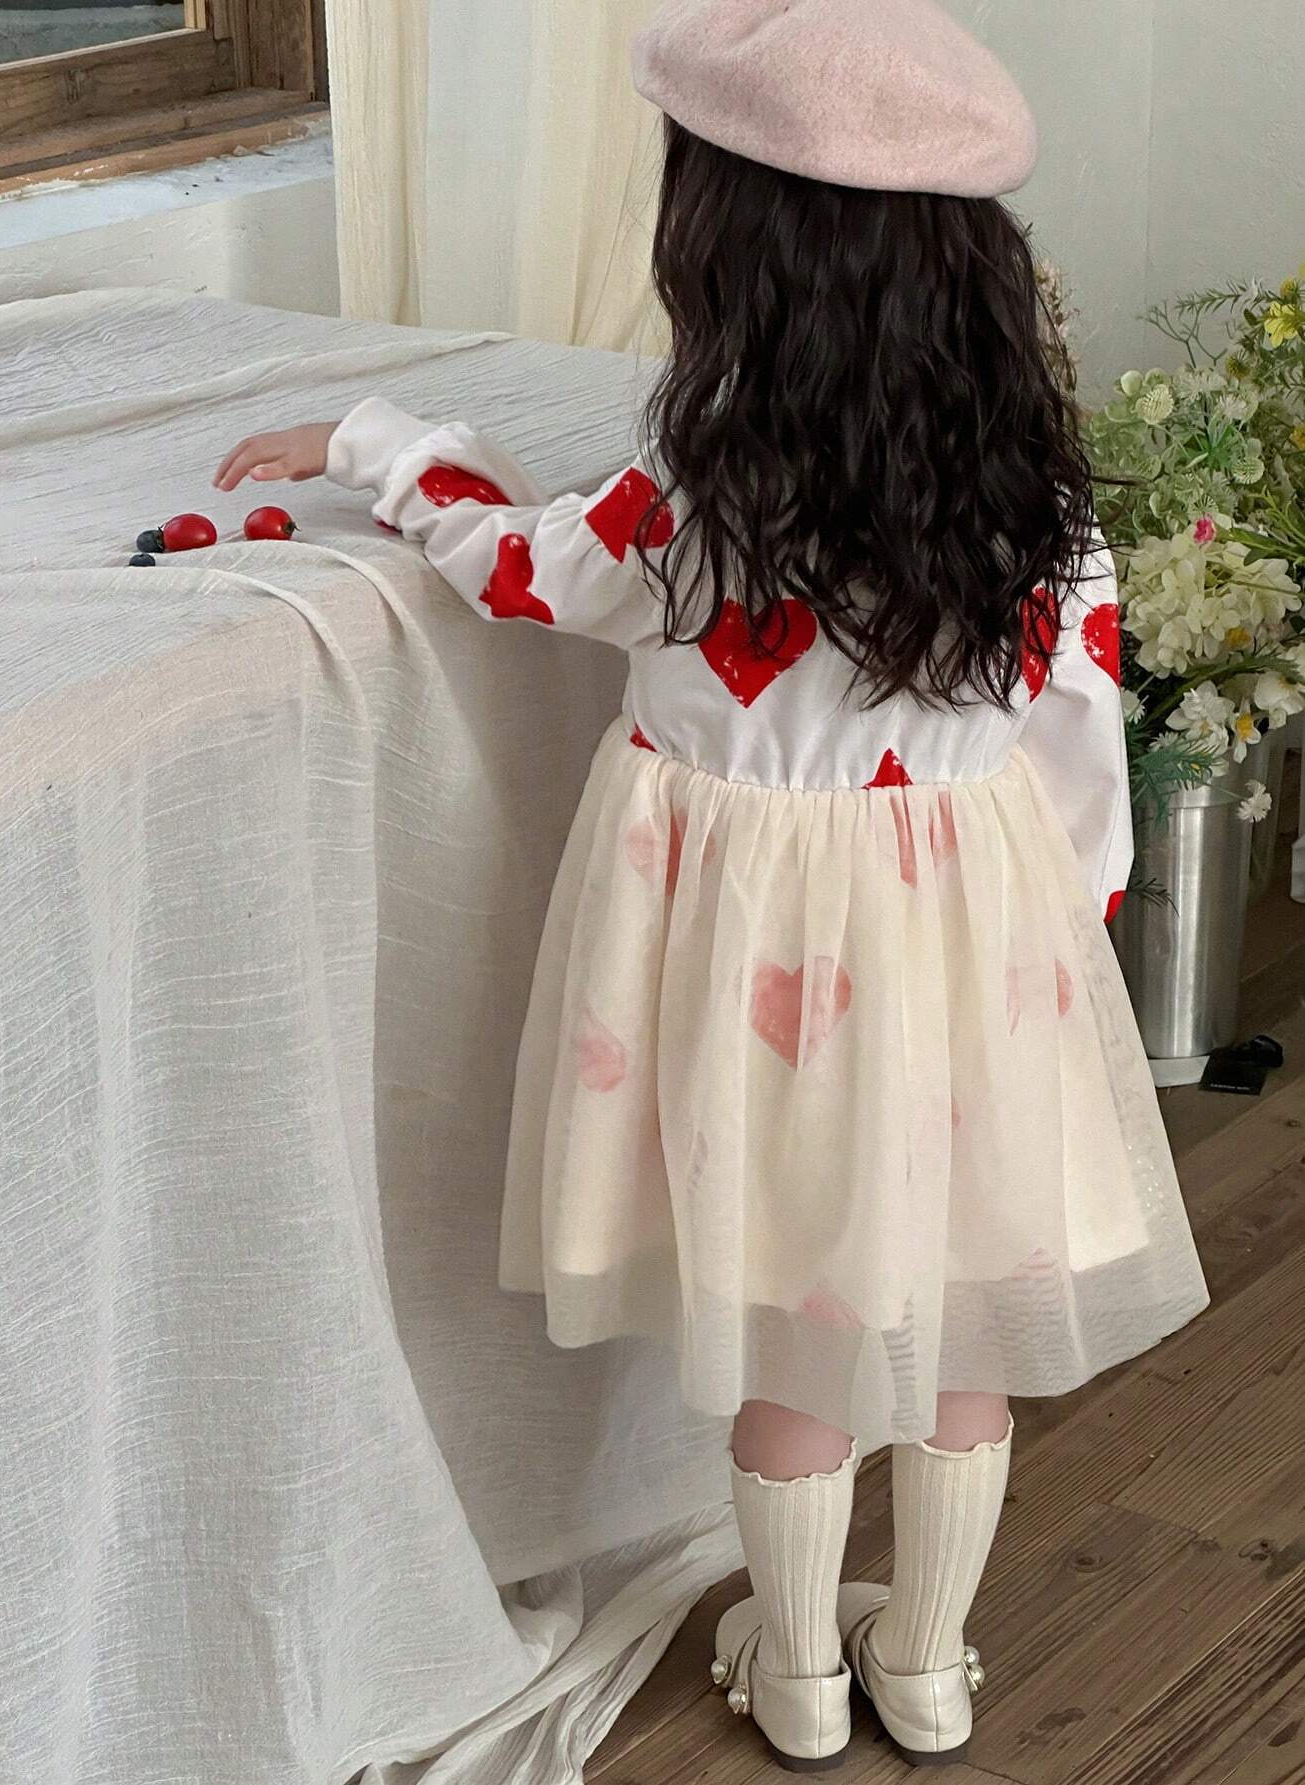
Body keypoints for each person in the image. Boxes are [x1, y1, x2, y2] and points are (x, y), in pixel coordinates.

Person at [214, 0, 1210, 1768]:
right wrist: (1072, 917)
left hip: (764, 972)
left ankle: (801, 1673)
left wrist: (380, 447)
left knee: (797, 1335)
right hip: (969, 949)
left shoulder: (701, 497)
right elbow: (1078, 733)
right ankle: (926, 1657)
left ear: (738, 259)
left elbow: (521, 567)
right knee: (959, 1317)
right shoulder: (1032, 504)